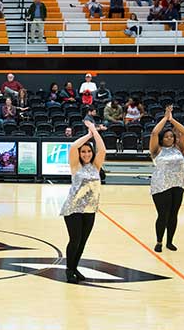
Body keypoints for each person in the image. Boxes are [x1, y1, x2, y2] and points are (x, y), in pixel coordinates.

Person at [59, 120, 105, 284]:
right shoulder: (75, 166)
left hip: (90, 210)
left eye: (88, 151)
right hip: (73, 209)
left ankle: (75, 267)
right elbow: (73, 147)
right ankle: (69, 270)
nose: (86, 154)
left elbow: (103, 149)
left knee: (83, 242)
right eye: (83, 151)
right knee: (75, 240)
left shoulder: (96, 166)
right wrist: (88, 134)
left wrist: (95, 132)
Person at [149, 105, 184, 253]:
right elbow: (154, 133)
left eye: (171, 136)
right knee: (163, 214)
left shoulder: (178, 148)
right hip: (161, 185)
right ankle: (159, 241)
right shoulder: (156, 149)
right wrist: (165, 119)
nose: (169, 138)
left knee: (173, 214)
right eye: (166, 136)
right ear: (162, 138)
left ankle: (170, 241)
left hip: (178, 184)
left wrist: (172, 120)